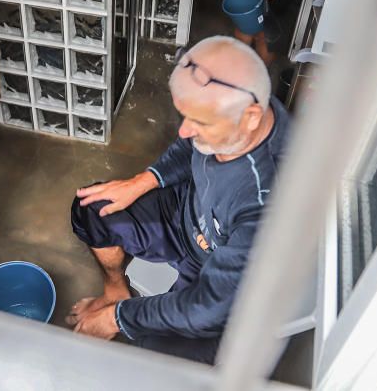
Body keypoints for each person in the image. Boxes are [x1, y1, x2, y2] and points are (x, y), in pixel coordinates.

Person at [67, 36, 291, 364]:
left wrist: (117, 318)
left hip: (217, 272)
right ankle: (116, 288)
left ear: (252, 118)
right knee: (94, 208)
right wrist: (142, 181)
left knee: (158, 355)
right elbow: (188, 147)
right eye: (185, 116)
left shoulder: (269, 200)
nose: (184, 131)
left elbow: (208, 307)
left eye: (198, 122)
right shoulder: (234, 108)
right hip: (182, 215)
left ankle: (125, 310)